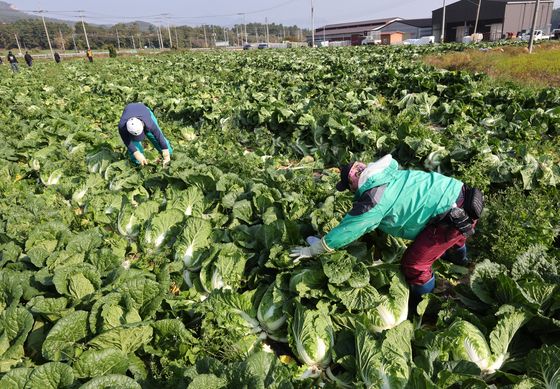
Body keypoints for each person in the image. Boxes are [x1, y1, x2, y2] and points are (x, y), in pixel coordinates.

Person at [290, 154, 484, 308]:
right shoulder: (387, 173)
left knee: (414, 264)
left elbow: (348, 230)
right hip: (461, 195)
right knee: (456, 238)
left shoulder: (373, 199)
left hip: (450, 219)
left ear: (353, 182)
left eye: (349, 187)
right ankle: (461, 261)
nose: (351, 193)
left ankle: (423, 306)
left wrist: (313, 250)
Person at [118, 102, 173, 167]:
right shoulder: (122, 127)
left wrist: (166, 154)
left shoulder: (149, 123)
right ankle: (138, 164)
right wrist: (136, 154)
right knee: (134, 143)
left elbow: (159, 136)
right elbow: (127, 141)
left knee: (153, 136)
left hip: (144, 111)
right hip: (130, 112)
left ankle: (170, 156)